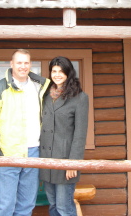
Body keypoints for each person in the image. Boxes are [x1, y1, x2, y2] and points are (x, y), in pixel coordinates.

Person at [0, 49, 50, 216]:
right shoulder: (0, 88)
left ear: (30, 65)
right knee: (4, 207)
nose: (23, 66)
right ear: (11, 64)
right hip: (7, 154)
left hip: (33, 152)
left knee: (26, 206)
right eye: (19, 62)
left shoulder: (40, 87)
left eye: (26, 63)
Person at [39, 56, 89, 216]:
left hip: (66, 160)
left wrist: (73, 163)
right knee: (53, 205)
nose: (57, 74)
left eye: (61, 71)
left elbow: (80, 134)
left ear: (69, 73)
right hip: (46, 159)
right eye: (54, 71)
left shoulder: (80, 98)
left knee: (64, 207)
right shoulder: (45, 94)